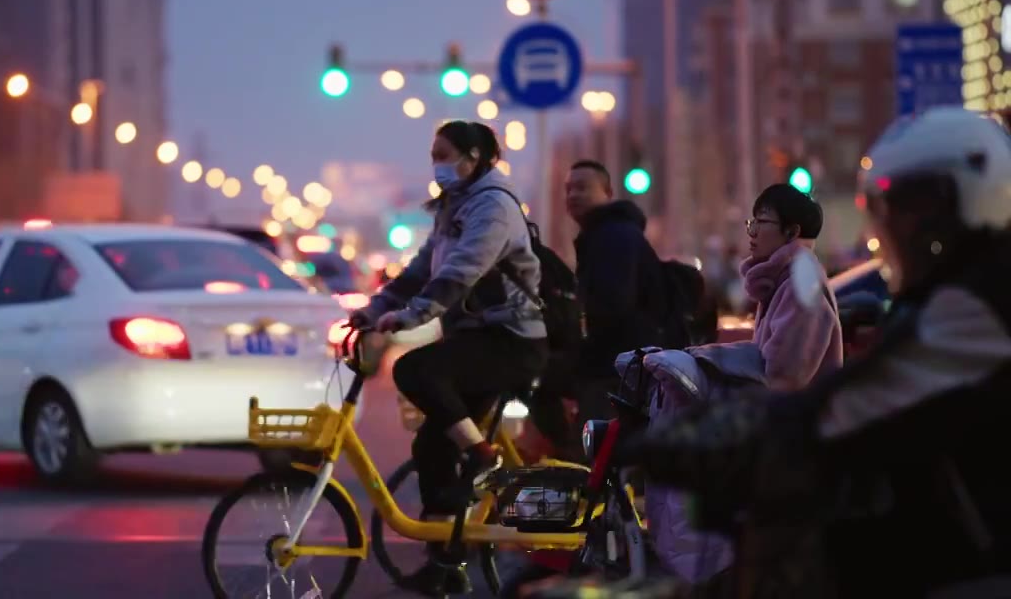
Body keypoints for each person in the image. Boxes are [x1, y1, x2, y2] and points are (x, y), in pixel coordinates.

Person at [614, 107, 1011, 597]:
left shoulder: (981, 303)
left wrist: (719, 434)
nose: (897, 230)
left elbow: (848, 404)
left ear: (967, 201)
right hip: (949, 522)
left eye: (912, 209)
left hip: (978, 550)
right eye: (888, 211)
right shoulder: (951, 290)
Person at [350, 120, 548, 596]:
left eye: (443, 153)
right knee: (432, 448)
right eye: (432, 155)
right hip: (477, 341)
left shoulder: (493, 207)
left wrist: (413, 317)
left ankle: (483, 454)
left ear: (474, 156)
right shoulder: (453, 208)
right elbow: (420, 269)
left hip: (511, 340)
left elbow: (462, 271)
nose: (436, 164)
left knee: (415, 368)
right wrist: (372, 309)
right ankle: (446, 565)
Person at [565, 160, 671, 418]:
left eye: (582, 187)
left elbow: (611, 306)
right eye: (568, 189)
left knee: (600, 448)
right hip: (617, 365)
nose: (573, 195)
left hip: (617, 369)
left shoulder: (614, 236)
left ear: (608, 193)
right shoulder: (600, 235)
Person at [742, 183, 843, 390]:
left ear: (791, 232)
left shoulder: (801, 288)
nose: (752, 232)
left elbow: (782, 378)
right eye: (752, 222)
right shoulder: (781, 281)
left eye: (761, 222)